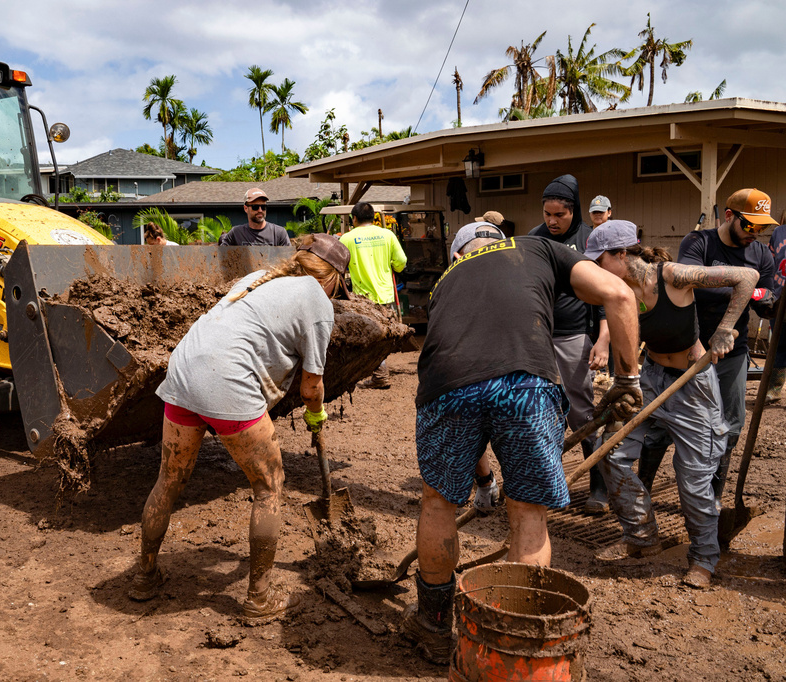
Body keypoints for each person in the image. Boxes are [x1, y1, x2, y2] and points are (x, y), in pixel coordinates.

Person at [403, 222, 641, 665]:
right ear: (501, 242)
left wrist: (481, 477)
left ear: (460, 253)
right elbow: (622, 295)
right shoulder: (538, 248)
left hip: (447, 385)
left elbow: (462, 371)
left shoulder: (445, 281)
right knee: (528, 509)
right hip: (526, 384)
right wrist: (627, 379)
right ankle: (509, 639)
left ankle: (433, 626)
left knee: (437, 503)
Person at [130, 233, 349, 626]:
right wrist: (315, 414)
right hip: (228, 381)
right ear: (332, 278)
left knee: (169, 480)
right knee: (268, 487)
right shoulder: (318, 301)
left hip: (184, 371)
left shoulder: (261, 277)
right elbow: (311, 385)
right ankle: (259, 598)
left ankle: (145, 577)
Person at [585, 220, 758, 588]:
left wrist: (726, 328)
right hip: (650, 379)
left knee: (693, 482)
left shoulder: (674, 275)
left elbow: (746, 275)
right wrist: (620, 390)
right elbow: (624, 349)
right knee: (611, 453)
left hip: (693, 385)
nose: (594, 270)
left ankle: (704, 558)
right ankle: (642, 537)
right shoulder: (617, 293)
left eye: (598, 260)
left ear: (621, 255)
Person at [639, 189, 778, 498]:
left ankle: (712, 498)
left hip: (731, 352)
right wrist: (744, 287)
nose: (754, 235)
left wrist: (767, 300)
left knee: (729, 426)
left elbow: (764, 301)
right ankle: (642, 491)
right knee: (662, 423)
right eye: (750, 226)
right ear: (729, 216)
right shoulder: (698, 243)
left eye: (762, 229)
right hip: (686, 349)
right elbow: (692, 286)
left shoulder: (761, 255)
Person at [528, 175, 610, 513]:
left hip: (574, 336)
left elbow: (603, 292)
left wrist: (603, 338)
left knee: (581, 410)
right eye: (547, 214)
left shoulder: (588, 238)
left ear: (573, 211)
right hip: (539, 335)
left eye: (559, 214)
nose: (552, 221)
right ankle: (548, 485)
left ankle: (600, 485)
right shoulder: (534, 238)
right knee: (541, 411)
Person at [339, 201, 407, 389]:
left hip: (363, 298)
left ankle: (379, 375)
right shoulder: (387, 235)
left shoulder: (347, 238)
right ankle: (379, 372)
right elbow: (401, 262)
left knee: (370, 336)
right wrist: (393, 265)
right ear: (372, 218)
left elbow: (339, 267)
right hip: (385, 294)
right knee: (384, 335)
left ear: (354, 218)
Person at [218, 188, 291, 246]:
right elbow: (221, 257)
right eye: (255, 207)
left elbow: (289, 261)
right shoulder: (236, 233)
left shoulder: (279, 233)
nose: (260, 210)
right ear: (246, 208)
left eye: (263, 207)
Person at [765, 208, 786, 402]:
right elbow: (771, 262)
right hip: (780, 297)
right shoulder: (779, 232)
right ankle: (774, 389)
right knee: (778, 344)